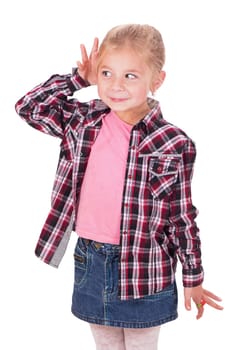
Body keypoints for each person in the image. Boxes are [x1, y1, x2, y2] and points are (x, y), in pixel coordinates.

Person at [15, 24, 223, 350]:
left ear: (157, 80)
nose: (115, 85)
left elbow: (181, 216)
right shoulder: (82, 122)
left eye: (131, 76)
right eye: (107, 73)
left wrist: (193, 277)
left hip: (145, 265)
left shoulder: (173, 143)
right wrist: (78, 80)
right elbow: (28, 107)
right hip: (91, 259)